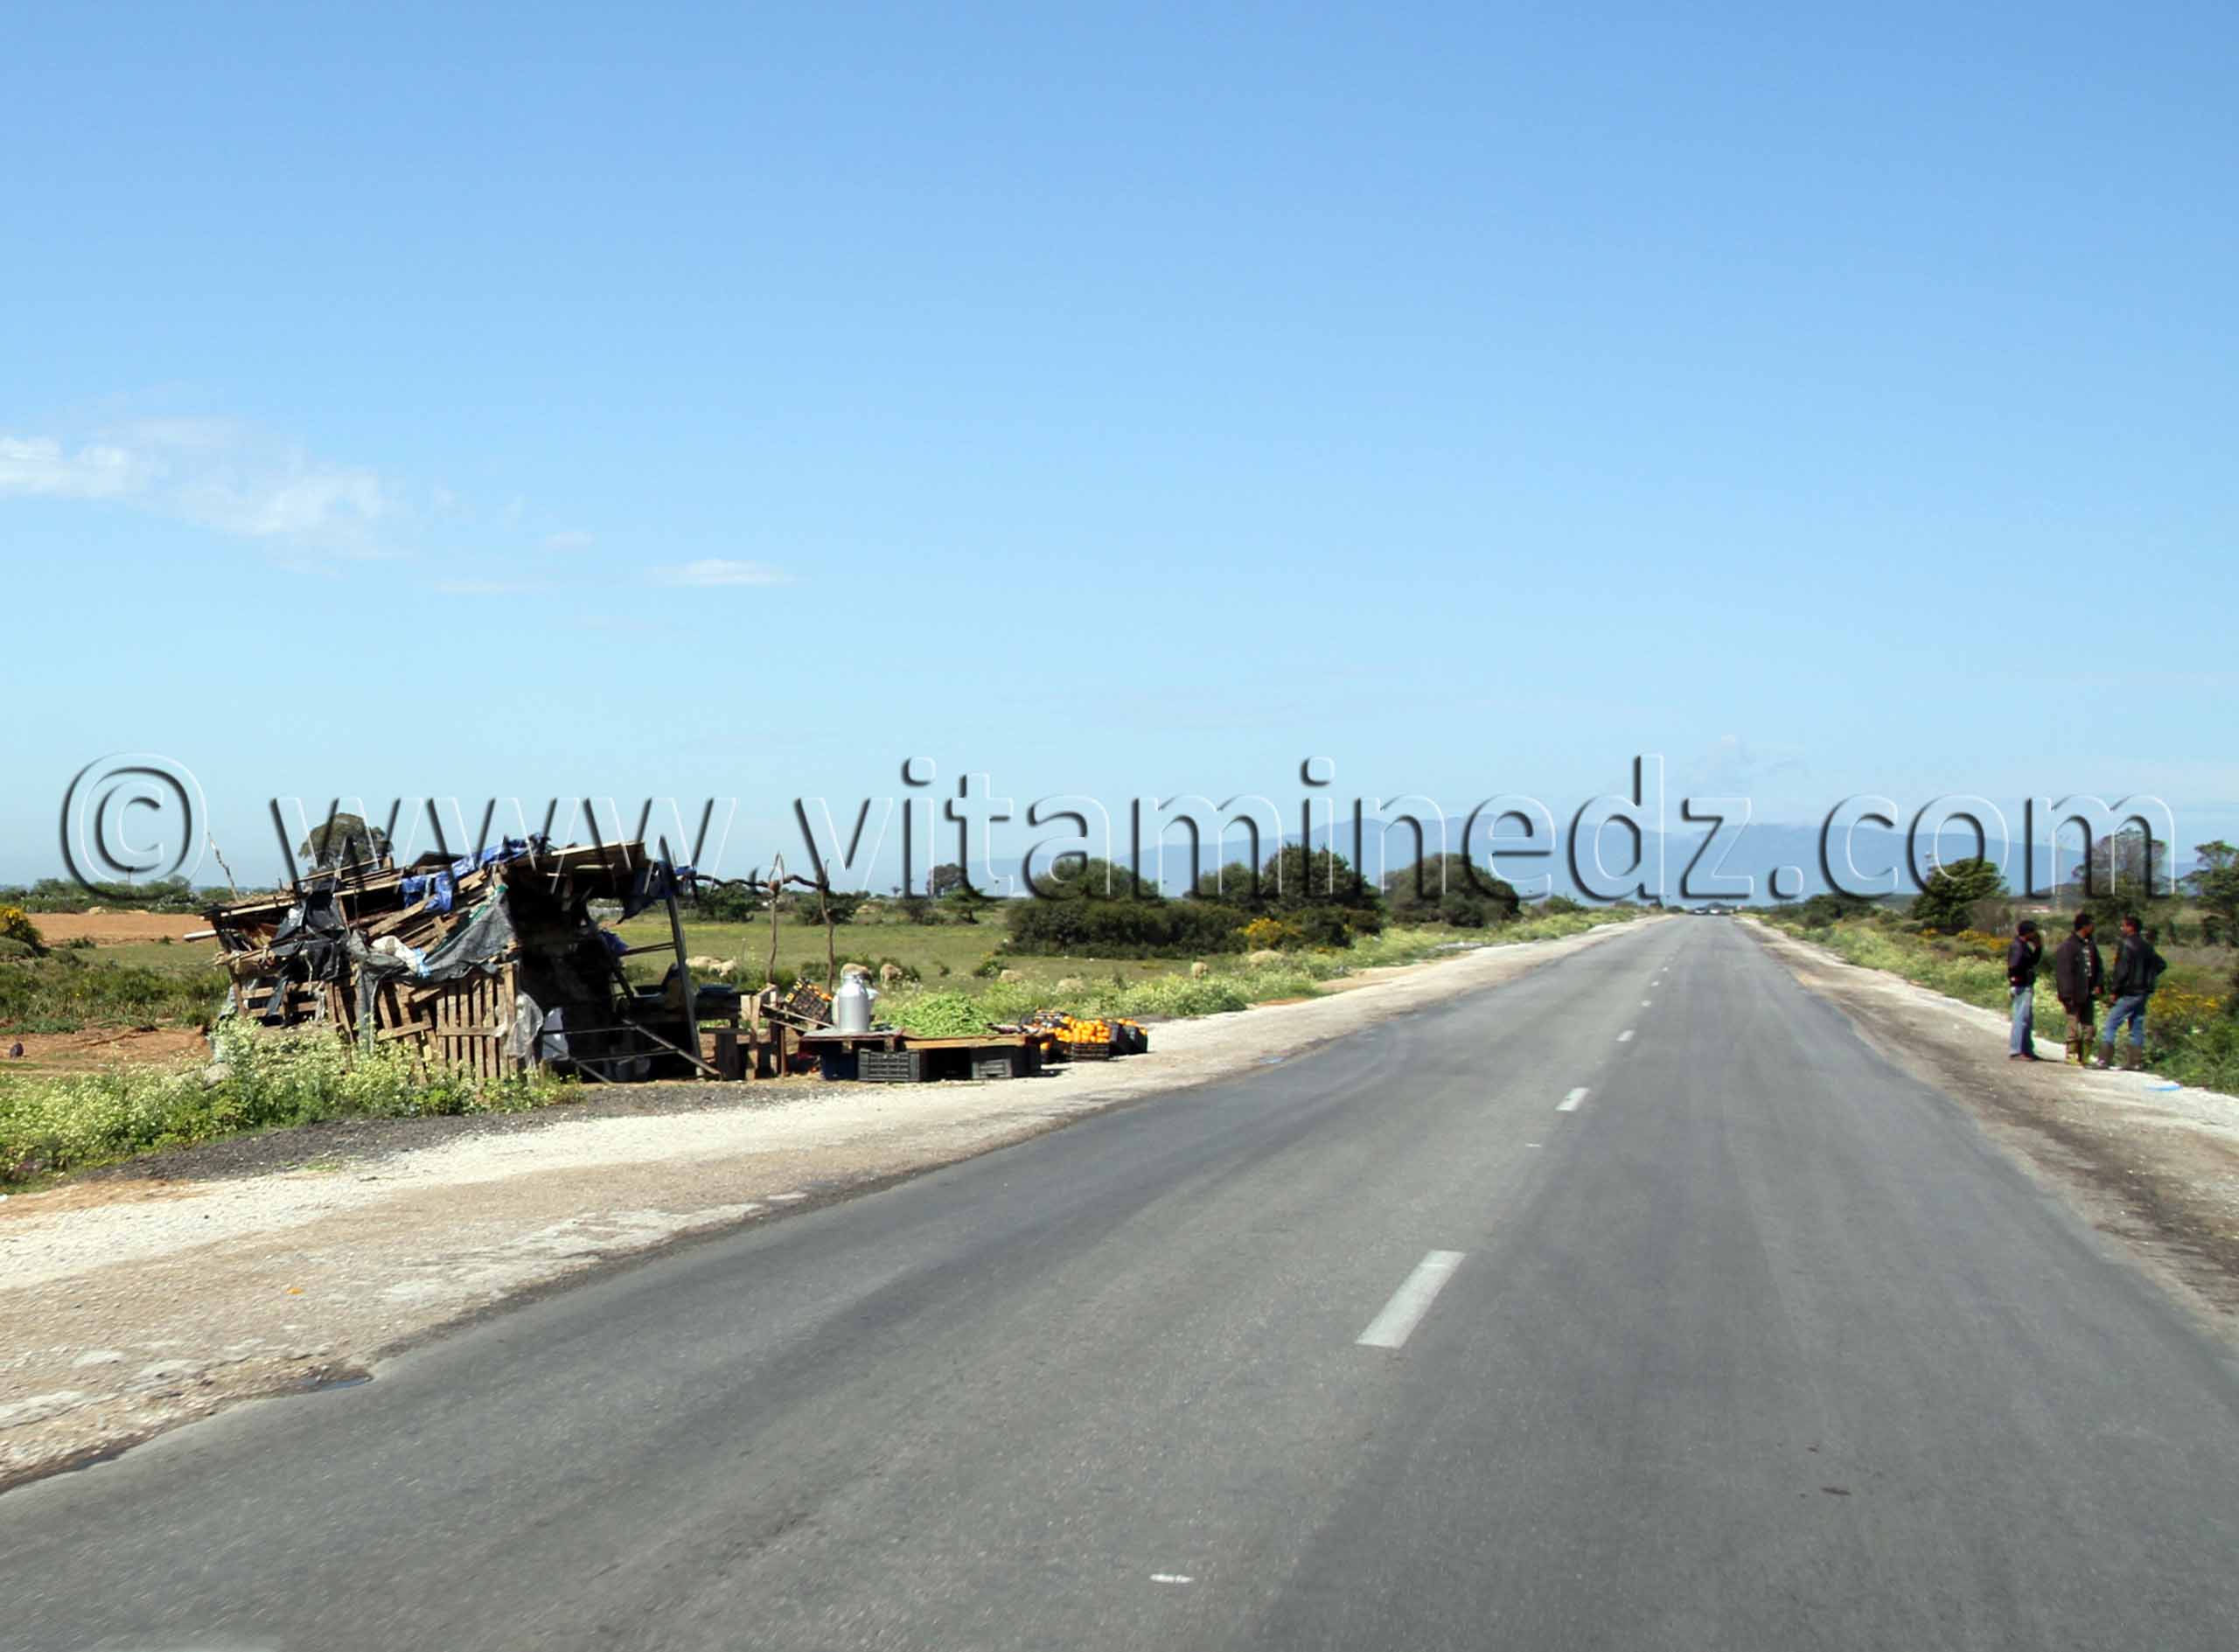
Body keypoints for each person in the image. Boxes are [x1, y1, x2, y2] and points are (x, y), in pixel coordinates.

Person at [2096, 914, 2166, 1070]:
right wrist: (2148, 977)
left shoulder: (2126, 944)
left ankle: (2103, 1060)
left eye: (2124, 926)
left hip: (2130, 991)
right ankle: (2135, 1062)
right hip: (2143, 992)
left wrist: (2114, 990)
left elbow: (2122, 970)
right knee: (2136, 1025)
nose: (2122, 928)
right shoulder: (2147, 946)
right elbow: (2161, 965)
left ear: (2130, 927)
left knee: (2111, 1024)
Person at [2050, 912, 2103, 1065]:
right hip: (2073, 993)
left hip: (2089, 993)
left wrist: (2098, 984)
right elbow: (2064, 973)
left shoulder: (2090, 945)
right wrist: (2066, 994)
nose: (2093, 927)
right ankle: (2072, 1055)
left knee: (2089, 1027)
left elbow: (2099, 967)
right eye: (2091, 924)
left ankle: (2085, 1056)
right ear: (2084, 926)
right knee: (2073, 1026)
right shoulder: (2068, 946)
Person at [2005, 918, 2044, 1061]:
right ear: (2027, 932)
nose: (2035, 935)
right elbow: (2014, 965)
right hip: (2021, 986)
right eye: (2033, 932)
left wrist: (2039, 947)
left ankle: (2026, 1050)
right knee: (2021, 1019)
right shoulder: (2018, 946)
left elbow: (2033, 961)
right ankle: (2017, 1051)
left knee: (2026, 1020)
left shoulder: (2023, 946)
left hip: (2024, 985)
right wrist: (2020, 976)